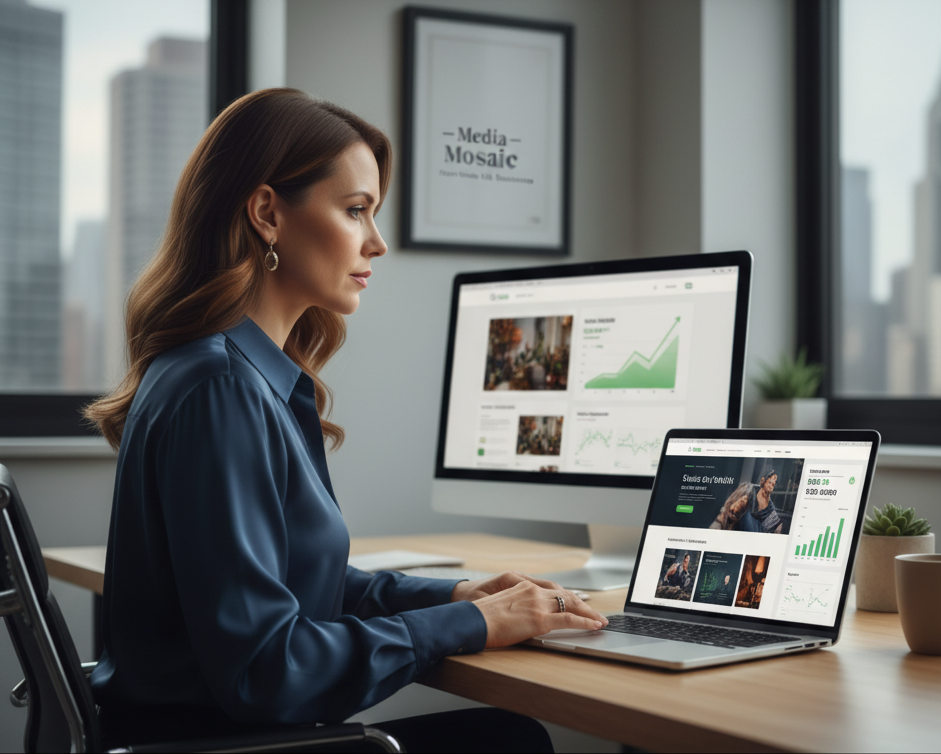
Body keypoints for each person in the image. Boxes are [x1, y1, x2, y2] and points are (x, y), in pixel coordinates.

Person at [83, 88, 606, 751]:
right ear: (267, 212)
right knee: (512, 741)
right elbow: (267, 670)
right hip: (227, 742)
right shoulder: (222, 389)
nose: (378, 243)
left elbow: (302, 586)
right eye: (356, 210)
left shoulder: (235, 375)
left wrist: (458, 596)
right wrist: (474, 625)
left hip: (210, 733)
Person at [736, 470, 785, 534]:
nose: (771, 487)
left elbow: (777, 524)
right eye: (770, 483)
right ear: (764, 481)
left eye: (773, 485)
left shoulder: (770, 506)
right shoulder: (751, 490)